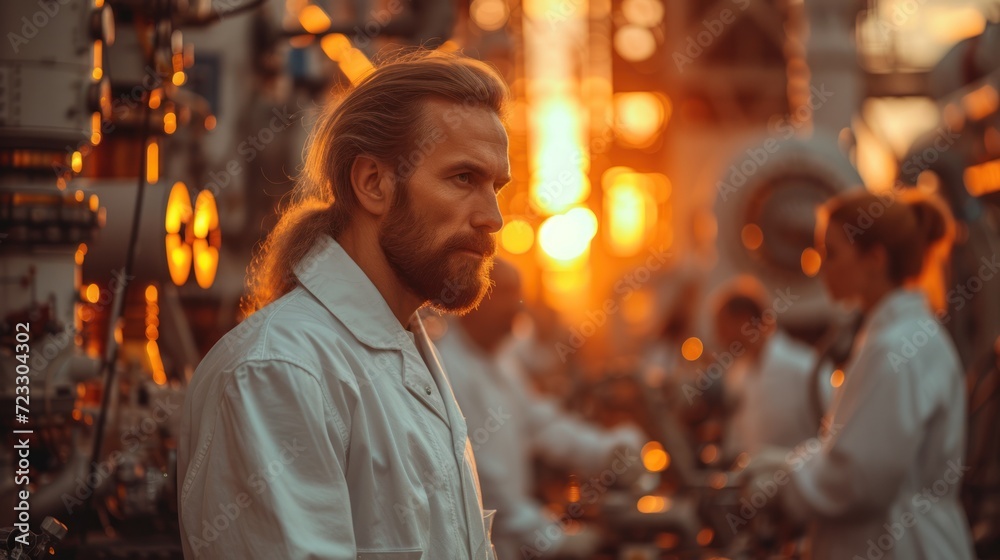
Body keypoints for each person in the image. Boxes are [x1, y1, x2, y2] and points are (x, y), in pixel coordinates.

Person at [177, 51, 512, 559]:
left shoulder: (407, 359)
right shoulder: (279, 372)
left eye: (497, 186)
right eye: (463, 178)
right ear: (373, 183)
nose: (493, 217)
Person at [744, 189, 974, 559]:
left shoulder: (895, 348)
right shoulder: (901, 336)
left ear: (874, 259)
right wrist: (791, 464)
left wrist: (785, 481)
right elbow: (859, 450)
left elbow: (857, 479)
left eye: (831, 253)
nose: (819, 267)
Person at [434, 259, 646, 560]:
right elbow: (489, 490)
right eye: (505, 292)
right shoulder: (449, 369)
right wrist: (554, 539)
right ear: (473, 293)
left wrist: (606, 450)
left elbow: (542, 424)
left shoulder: (502, 360)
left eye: (518, 293)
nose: (517, 305)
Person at [712, 276, 831, 462]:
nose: (720, 338)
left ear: (744, 321)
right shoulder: (738, 375)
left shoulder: (804, 366)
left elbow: (832, 432)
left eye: (722, 328)